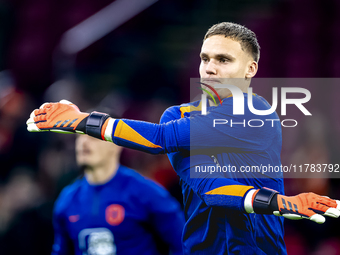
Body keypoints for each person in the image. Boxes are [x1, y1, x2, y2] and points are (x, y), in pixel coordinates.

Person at [27, 22, 340, 254]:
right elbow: (211, 189)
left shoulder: (256, 114)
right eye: (205, 59)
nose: (210, 69)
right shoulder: (177, 116)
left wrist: (81, 120)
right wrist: (283, 202)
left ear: (250, 69)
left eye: (224, 60)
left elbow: (161, 140)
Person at [51, 133, 185, 254]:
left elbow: (182, 243)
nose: (84, 142)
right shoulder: (67, 200)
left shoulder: (145, 193)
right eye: (80, 136)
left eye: (93, 136)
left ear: (116, 144)